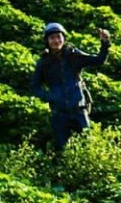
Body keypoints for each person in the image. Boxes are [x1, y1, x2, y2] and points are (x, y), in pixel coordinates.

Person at [28, 22, 110, 150]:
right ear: (47, 41)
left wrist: (105, 43)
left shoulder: (73, 55)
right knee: (63, 149)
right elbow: (35, 87)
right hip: (59, 114)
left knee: (88, 145)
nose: (56, 40)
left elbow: (98, 60)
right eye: (52, 38)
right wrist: (50, 97)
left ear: (63, 38)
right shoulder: (44, 62)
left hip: (79, 110)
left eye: (58, 37)